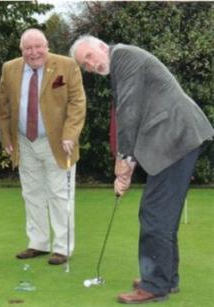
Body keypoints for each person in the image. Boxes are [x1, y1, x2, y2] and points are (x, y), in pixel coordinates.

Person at [70, 35, 214, 304]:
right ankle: (166, 278)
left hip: (175, 139)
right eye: (84, 65)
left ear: (102, 46)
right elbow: (130, 112)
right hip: (173, 141)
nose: (90, 65)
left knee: (154, 215)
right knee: (162, 215)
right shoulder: (122, 63)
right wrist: (125, 162)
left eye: (89, 56)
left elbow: (129, 110)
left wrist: (125, 160)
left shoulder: (124, 56)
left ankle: (155, 284)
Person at [0, 28, 86, 265]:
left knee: (60, 195)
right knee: (32, 194)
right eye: (28, 48)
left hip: (58, 143)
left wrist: (70, 134)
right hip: (24, 142)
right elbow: (3, 108)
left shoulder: (67, 66)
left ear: (47, 45)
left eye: (38, 47)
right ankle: (38, 243)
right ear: (21, 50)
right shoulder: (9, 68)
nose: (34, 52)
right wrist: (7, 139)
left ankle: (63, 247)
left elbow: (77, 103)